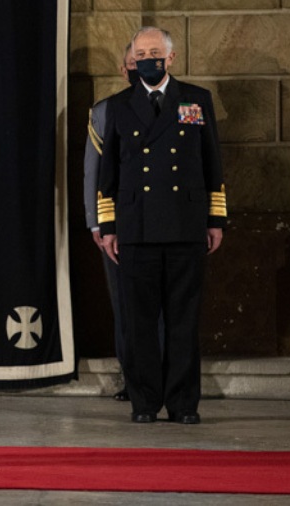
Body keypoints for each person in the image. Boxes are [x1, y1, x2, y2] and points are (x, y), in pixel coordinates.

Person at [97, 26, 226, 425]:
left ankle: (184, 403)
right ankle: (145, 402)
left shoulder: (196, 99)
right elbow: (108, 173)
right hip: (136, 229)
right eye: (140, 53)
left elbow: (212, 163)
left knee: (183, 320)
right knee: (139, 321)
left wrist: (215, 219)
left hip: (185, 226)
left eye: (155, 52)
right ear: (133, 59)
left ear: (170, 58)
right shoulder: (119, 106)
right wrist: (108, 226)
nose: (147, 59)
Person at [83, 43, 135, 402]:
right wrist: (97, 223)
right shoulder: (105, 112)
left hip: (165, 226)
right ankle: (133, 377)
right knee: (125, 306)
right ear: (122, 69)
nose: (140, 68)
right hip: (118, 225)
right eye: (133, 62)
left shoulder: (185, 105)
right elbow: (93, 173)